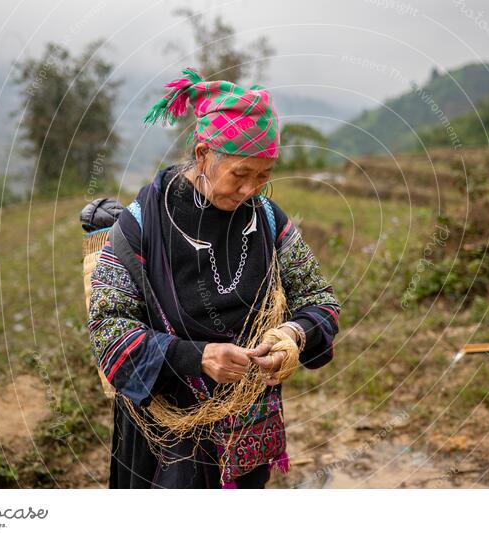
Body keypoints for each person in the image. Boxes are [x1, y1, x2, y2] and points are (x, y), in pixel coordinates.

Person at [86, 67, 341, 488]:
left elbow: (321, 300)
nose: (250, 190)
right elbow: (108, 330)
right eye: (240, 174)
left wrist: (291, 337)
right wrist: (197, 357)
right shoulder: (140, 226)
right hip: (165, 435)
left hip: (249, 430)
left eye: (263, 176)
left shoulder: (270, 221)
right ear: (203, 153)